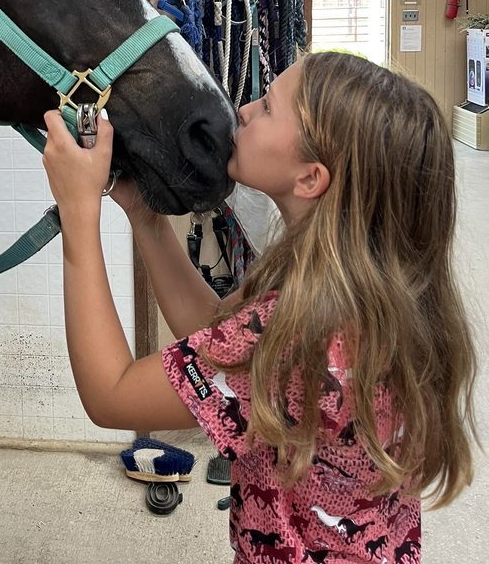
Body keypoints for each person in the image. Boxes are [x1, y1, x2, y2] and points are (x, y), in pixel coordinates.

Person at [42, 51, 477, 564]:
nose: (243, 110)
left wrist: (78, 210)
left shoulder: (301, 334)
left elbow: (111, 394)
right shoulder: (362, 295)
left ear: (311, 179)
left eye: (268, 107)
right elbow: (217, 337)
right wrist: (145, 217)